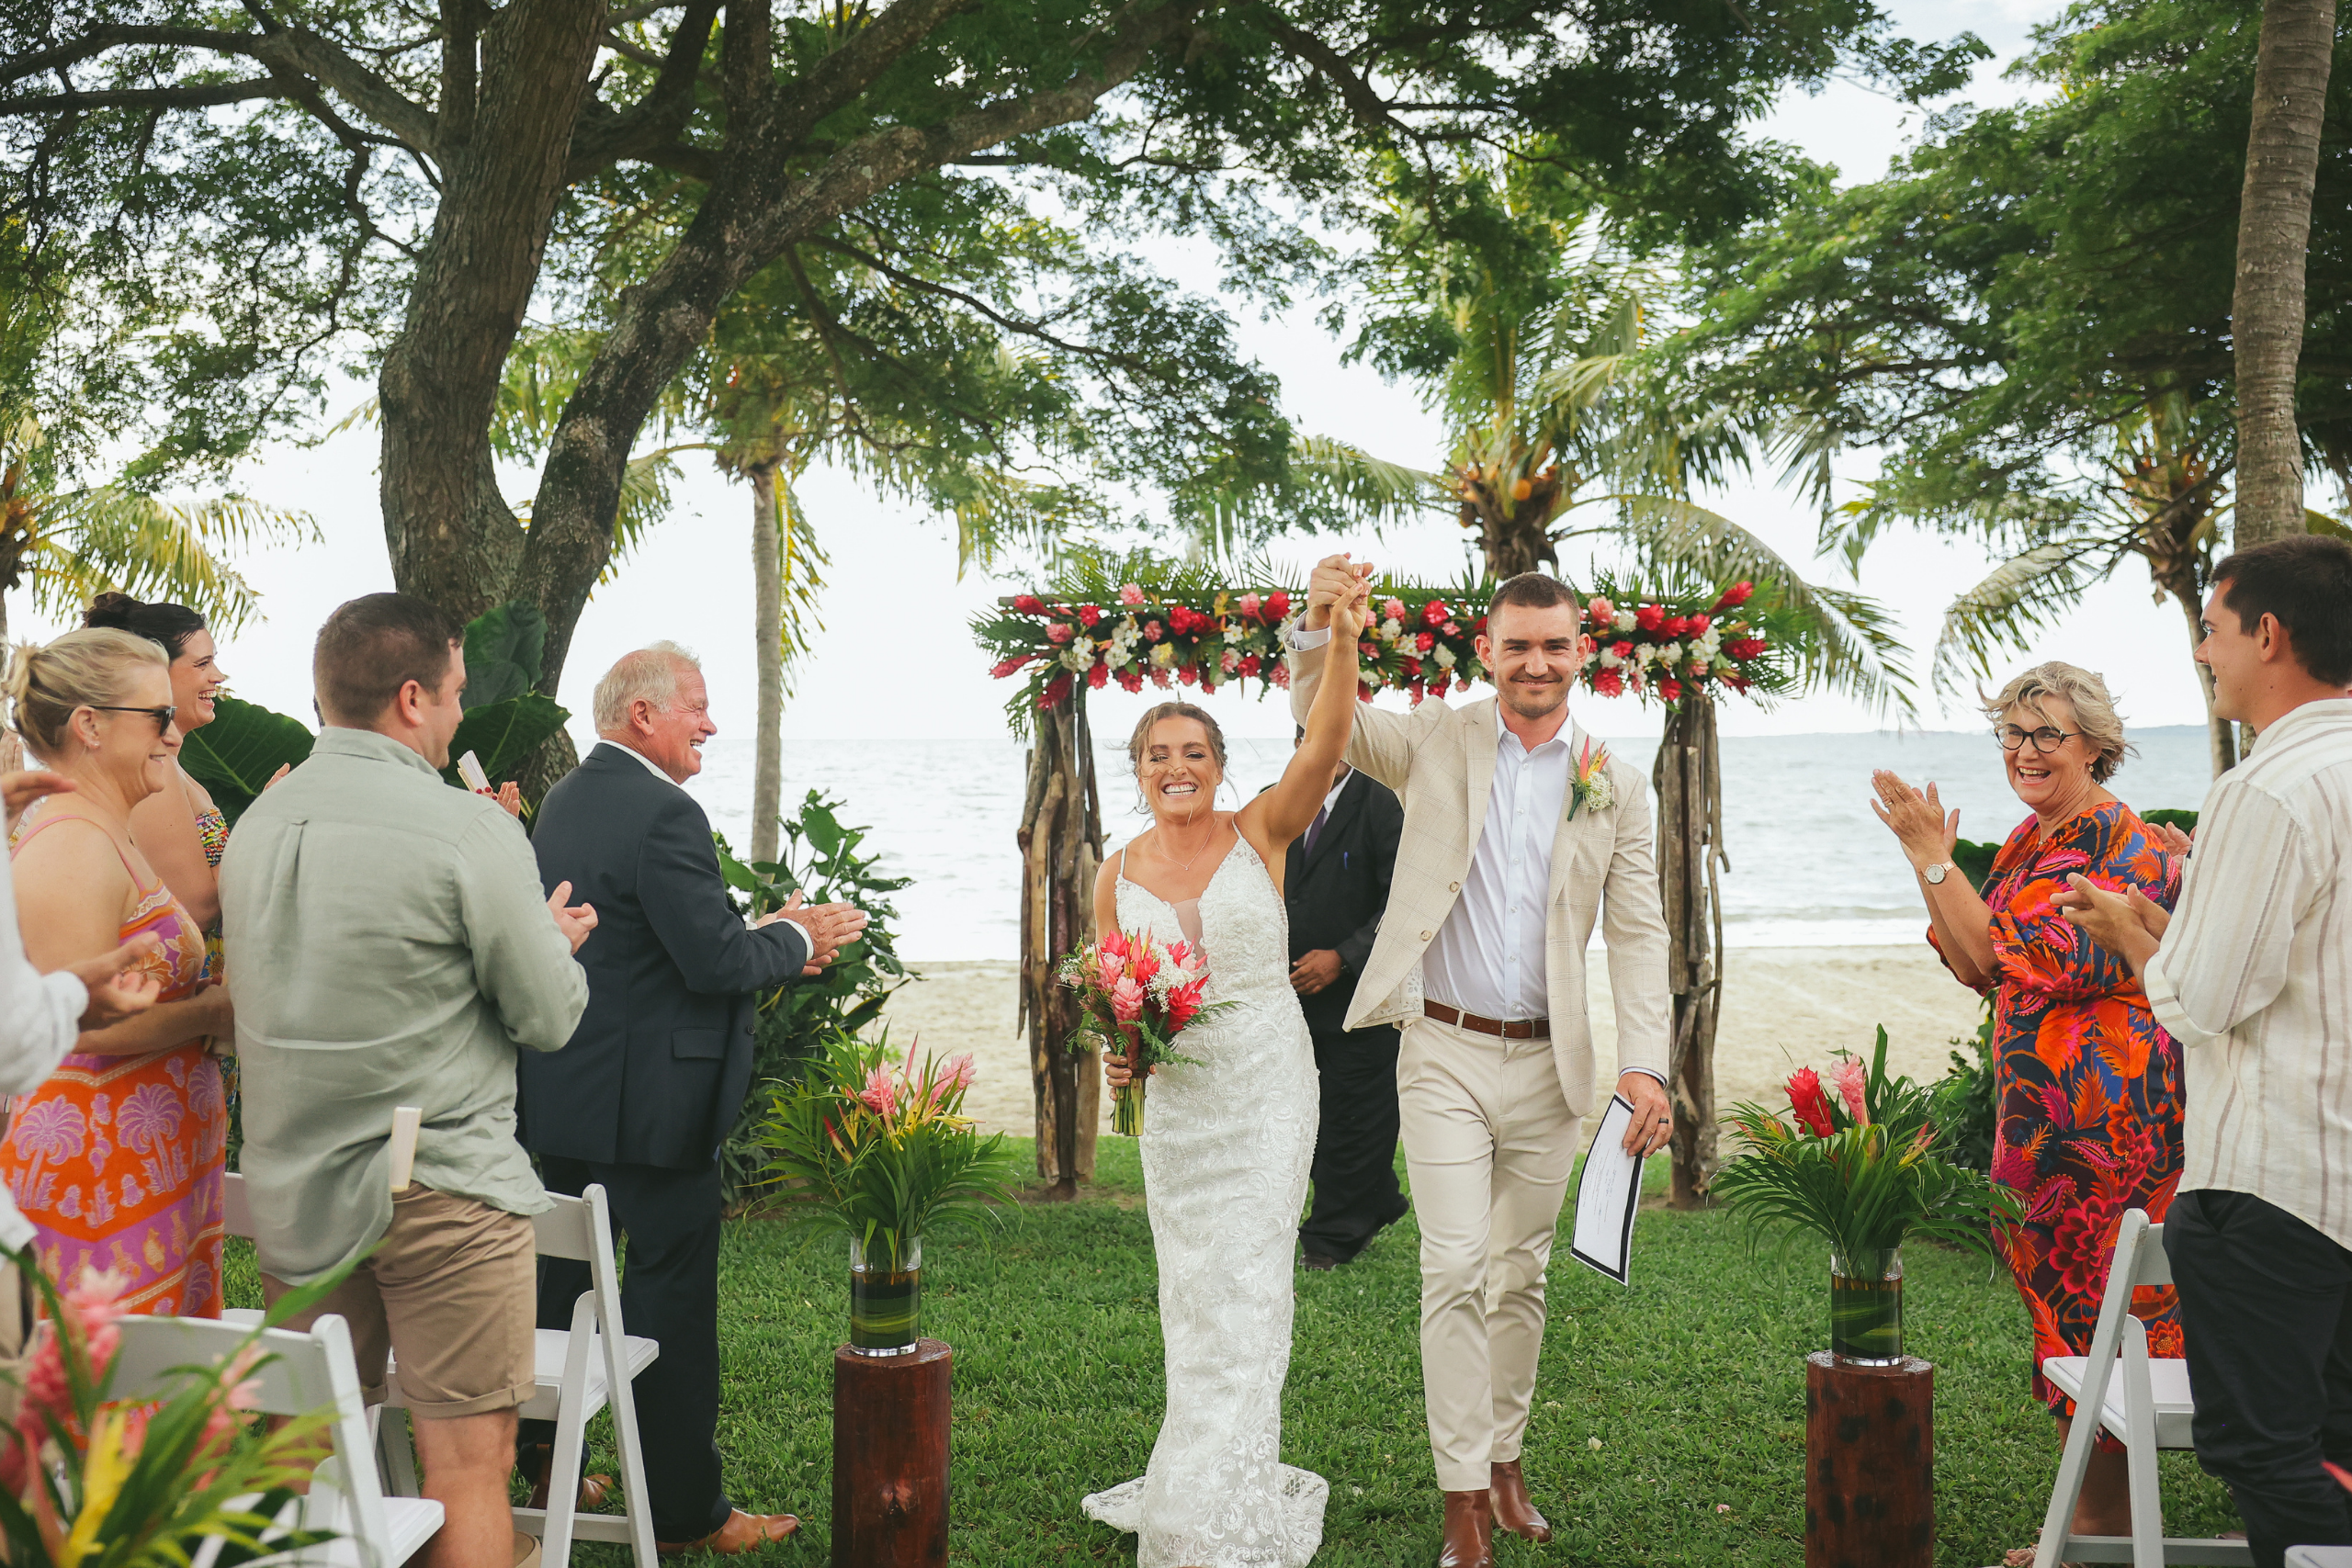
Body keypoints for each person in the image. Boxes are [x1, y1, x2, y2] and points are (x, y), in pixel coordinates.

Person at [1285, 559, 1675, 1568]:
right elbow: (1326, 718)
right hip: (1444, 1049)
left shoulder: (1616, 784)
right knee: (1453, 1267)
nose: (1534, 663)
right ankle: (1462, 1494)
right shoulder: (1430, 740)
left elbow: (1636, 934)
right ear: (1487, 652)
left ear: (1579, 653)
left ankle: (1506, 1458)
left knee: (1520, 1274)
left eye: (1553, 645)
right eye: (1516, 645)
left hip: (1553, 1067)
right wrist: (1323, 623)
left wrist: (1648, 1067)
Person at [220, 592, 595, 1568]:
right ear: (413, 696)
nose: (464, 716)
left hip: (295, 1189)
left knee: (309, 1452)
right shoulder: (465, 831)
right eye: (459, 694)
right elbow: (547, 1017)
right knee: (467, 1465)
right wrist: (552, 945)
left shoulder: (258, 825)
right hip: (443, 1187)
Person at [519, 644, 865, 1554]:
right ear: (643, 715)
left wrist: (766, 934)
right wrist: (794, 938)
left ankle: (543, 1456)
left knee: (562, 1277)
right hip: (653, 1107)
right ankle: (683, 1511)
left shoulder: (567, 800)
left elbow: (648, 943)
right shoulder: (665, 811)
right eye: (697, 708)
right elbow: (713, 962)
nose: (709, 724)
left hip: (569, 1089)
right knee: (669, 1305)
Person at [2055, 535, 2352, 1568]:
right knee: (2338, 1439)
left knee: (2259, 1447)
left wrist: (2141, 937)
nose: (2202, 651)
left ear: (2267, 636)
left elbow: (2201, 999)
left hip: (2270, 1184)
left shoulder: (2264, 789)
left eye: (2213, 630)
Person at [1077, 600, 1366, 1568]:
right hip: (1182, 1108)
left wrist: (1346, 637)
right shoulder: (1114, 874)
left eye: (1193, 752)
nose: (1176, 768)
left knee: (1251, 1286)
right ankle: (1200, 1474)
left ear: (1219, 765)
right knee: (1194, 1295)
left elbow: (1327, 741)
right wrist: (1123, 1054)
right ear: (1138, 769)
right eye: (1158, 753)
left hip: (1268, 1088)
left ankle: (1215, 1504)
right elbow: (1112, 992)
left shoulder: (1263, 833)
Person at [1871, 660, 2184, 1550]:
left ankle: (2097, 1525)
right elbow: (1976, 961)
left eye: (2047, 732)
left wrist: (1930, 854)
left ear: (2097, 743)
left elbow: (2026, 960)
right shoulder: (2034, 840)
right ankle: (2097, 1522)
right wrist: (1938, 863)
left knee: (2097, 1317)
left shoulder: (2108, 844)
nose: (2025, 749)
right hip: (2047, 1125)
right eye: (2011, 732)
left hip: (2104, 1129)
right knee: (2068, 1311)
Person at [2, 629, 234, 1314]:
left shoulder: (109, 830)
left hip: (138, 1161)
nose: (173, 734)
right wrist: (211, 1013)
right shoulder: (72, 842)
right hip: (95, 1168)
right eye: (158, 716)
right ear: (90, 726)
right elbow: (73, 1027)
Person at [1281, 724, 1408, 1271]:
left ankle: (1333, 1239)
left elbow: (1406, 901)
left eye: (1330, 738)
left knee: (1358, 1118)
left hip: (1363, 997)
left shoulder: (1384, 803)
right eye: (1306, 739)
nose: (1321, 750)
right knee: (1305, 1119)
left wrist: (1342, 958)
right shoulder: (1274, 801)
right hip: (1286, 999)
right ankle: (1377, 1199)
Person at [81, 594, 232, 936]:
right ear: (155, 671)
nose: (218, 676)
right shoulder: (151, 764)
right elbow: (195, 908)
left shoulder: (170, 764)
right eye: (202, 664)